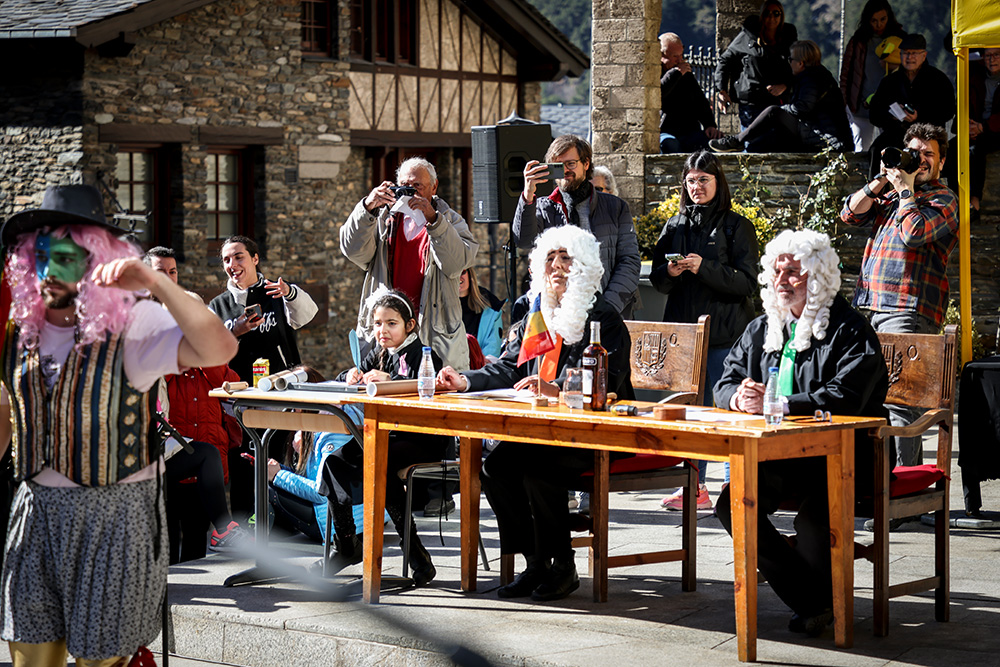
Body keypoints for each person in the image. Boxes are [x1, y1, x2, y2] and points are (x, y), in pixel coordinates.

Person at [0, 184, 237, 666]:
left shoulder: (134, 324)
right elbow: (8, 421)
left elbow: (220, 349)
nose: (49, 268)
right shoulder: (17, 328)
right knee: (29, 654)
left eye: (66, 254)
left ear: (95, 260)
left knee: (99, 658)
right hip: (35, 508)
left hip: (115, 515)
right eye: (40, 253)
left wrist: (157, 283)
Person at [437, 225, 633, 602]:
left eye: (566, 259)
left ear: (585, 267)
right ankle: (536, 562)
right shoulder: (538, 314)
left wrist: (558, 388)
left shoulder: (603, 319)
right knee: (494, 466)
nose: (557, 267)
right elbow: (511, 367)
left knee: (538, 471)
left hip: (596, 433)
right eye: (550, 259)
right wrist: (462, 381)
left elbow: (611, 380)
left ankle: (563, 565)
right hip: (542, 432)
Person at [714, 229, 888, 638]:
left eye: (793, 271)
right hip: (781, 456)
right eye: (777, 271)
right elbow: (726, 380)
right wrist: (739, 399)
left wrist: (785, 404)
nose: (782, 280)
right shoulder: (763, 328)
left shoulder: (848, 327)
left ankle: (815, 605)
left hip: (845, 457)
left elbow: (849, 394)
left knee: (815, 519)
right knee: (732, 502)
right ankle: (812, 601)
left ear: (819, 277)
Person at [841, 122, 957, 475]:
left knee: (901, 399)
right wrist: (881, 180)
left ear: (941, 162)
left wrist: (906, 191)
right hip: (869, 304)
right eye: (914, 151)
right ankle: (876, 482)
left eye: (928, 154)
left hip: (910, 307)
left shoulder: (944, 199)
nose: (920, 159)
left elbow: (914, 234)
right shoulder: (891, 193)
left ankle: (907, 485)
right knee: (866, 395)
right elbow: (849, 213)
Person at [649, 151, 759, 509]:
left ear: (717, 183)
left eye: (704, 180)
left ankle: (733, 488)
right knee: (690, 414)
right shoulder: (674, 226)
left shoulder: (736, 226)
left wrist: (703, 267)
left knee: (726, 412)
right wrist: (671, 272)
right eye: (691, 180)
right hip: (684, 336)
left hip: (726, 337)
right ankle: (694, 488)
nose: (697, 187)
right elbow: (657, 282)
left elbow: (747, 283)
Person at [318, 289, 445, 585]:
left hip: (423, 438)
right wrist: (349, 375)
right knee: (334, 462)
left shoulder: (425, 354)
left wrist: (394, 381)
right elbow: (349, 378)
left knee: (380, 466)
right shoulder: (377, 354)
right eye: (377, 324)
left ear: (409, 326)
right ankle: (347, 544)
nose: (382, 331)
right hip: (386, 435)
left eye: (391, 323)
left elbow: (430, 390)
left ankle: (415, 553)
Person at [143, 246, 248, 562]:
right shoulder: (146, 331)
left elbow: (226, 375)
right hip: (171, 454)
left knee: (195, 550)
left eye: (172, 272)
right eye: (160, 272)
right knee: (167, 550)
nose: (168, 279)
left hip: (202, 454)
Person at [341, 157, 479, 371]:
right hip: (389, 330)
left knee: (433, 393)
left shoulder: (450, 221)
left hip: (434, 333)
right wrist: (368, 207)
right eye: (404, 186)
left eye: (417, 186)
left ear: (434, 187)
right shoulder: (381, 219)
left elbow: (456, 264)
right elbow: (352, 250)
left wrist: (434, 220)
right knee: (380, 389)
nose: (410, 193)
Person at [516, 134, 640, 317]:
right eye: (558, 166)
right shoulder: (543, 207)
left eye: (571, 164)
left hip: (612, 312)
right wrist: (527, 195)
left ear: (586, 164)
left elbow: (629, 261)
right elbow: (524, 241)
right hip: (560, 316)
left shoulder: (615, 207)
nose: (565, 171)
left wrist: (607, 307)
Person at [208, 235, 318, 384]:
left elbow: (308, 315)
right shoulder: (218, 305)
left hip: (281, 386)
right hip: (238, 391)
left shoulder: (277, 292)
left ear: (255, 259)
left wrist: (290, 293)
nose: (232, 265)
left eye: (239, 257)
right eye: (227, 260)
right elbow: (208, 351)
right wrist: (234, 331)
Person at [709, 40, 851, 153]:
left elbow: (803, 107)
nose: (789, 63)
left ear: (800, 63)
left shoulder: (811, 79)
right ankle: (741, 145)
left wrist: (782, 110)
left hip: (824, 139)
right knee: (760, 144)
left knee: (773, 112)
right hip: (820, 134)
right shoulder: (817, 75)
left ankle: (737, 141)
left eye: (791, 59)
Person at [868, 34, 955, 179]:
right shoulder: (890, 82)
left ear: (924, 55)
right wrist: (893, 117)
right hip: (896, 135)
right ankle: (876, 195)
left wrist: (919, 116)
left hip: (928, 136)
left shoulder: (938, 79)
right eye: (905, 53)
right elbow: (874, 114)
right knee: (877, 149)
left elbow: (947, 111)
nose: (909, 58)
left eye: (914, 53)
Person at [713, 0, 798, 130]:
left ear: (781, 16)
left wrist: (785, 85)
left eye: (776, 13)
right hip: (751, 102)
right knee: (751, 143)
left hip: (778, 101)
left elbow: (797, 66)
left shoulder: (788, 39)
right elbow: (725, 60)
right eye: (767, 13)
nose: (771, 18)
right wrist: (721, 89)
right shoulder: (747, 36)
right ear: (761, 16)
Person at [839, 0, 907, 151]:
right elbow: (846, 74)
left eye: (883, 19)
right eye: (874, 21)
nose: (879, 25)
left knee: (892, 148)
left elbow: (913, 68)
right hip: (860, 104)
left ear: (889, 17)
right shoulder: (859, 41)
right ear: (867, 21)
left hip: (891, 106)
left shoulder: (900, 39)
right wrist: (844, 102)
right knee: (861, 149)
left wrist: (894, 66)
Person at [658, 32, 723, 153]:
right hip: (665, 130)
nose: (680, 60)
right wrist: (675, 74)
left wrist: (709, 125)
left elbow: (699, 100)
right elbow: (658, 94)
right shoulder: (656, 71)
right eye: (674, 56)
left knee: (712, 146)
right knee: (670, 145)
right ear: (662, 55)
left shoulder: (685, 74)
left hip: (689, 131)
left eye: (681, 55)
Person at [969, 48, 1000, 220]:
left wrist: (983, 127)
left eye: (996, 54)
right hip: (978, 129)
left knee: (976, 150)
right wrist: (971, 126)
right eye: (988, 55)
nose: (992, 59)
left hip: (994, 131)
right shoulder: (976, 77)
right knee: (951, 150)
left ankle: (974, 202)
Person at [460, 266, 505, 361]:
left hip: (478, 370)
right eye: (454, 273)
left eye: (463, 271)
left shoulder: (491, 306)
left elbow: (492, 352)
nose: (458, 277)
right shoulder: (437, 306)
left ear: (470, 273)